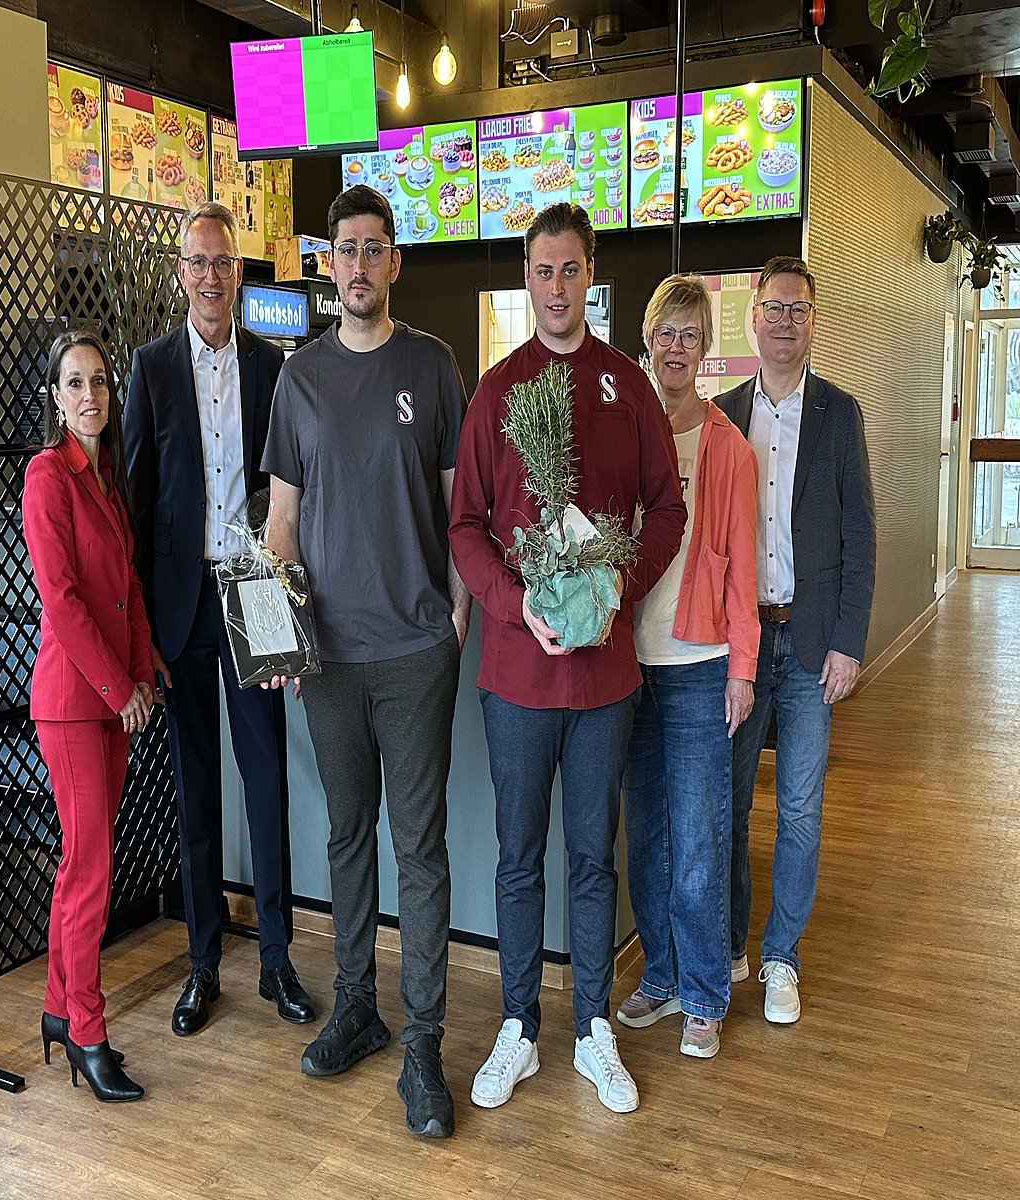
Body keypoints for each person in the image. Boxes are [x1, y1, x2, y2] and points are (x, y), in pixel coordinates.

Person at [448, 203, 687, 1115]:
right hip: (516, 677)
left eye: (571, 269)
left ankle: (592, 1029)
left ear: (592, 274)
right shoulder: (496, 391)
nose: (556, 286)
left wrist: (621, 582)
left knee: (592, 859)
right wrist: (514, 605)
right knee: (518, 858)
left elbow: (668, 509)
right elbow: (466, 526)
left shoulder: (627, 385)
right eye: (543, 270)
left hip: (603, 681)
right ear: (527, 278)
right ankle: (519, 1027)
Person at [261, 184, 469, 1139]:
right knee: (348, 835)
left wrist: (458, 613)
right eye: (344, 249)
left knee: (418, 849)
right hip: (330, 661)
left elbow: (458, 507)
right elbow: (282, 524)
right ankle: (358, 1007)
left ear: (394, 262)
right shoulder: (298, 379)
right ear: (329, 262)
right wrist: (280, 637)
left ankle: (423, 1041)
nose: (357, 264)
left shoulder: (431, 366)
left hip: (418, 652)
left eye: (372, 248)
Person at [124, 202, 314, 1037]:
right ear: (181, 274)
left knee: (266, 780)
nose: (210, 276)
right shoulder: (150, 367)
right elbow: (136, 500)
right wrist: (140, 630)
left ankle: (276, 958)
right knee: (194, 787)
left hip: (256, 589)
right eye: (197, 262)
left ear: (239, 274)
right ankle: (203, 962)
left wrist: (294, 598)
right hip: (178, 602)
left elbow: (294, 489)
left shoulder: (273, 366)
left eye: (222, 263)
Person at [716, 256, 875, 1024]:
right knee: (730, 804)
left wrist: (849, 641)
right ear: (754, 316)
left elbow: (860, 534)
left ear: (814, 321)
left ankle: (782, 956)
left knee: (801, 810)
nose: (785, 321)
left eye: (798, 309)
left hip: (811, 644)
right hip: (741, 647)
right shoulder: (722, 414)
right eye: (774, 307)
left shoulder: (840, 414)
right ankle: (730, 945)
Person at [613, 274, 759, 1061]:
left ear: (706, 349)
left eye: (690, 335)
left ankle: (704, 994)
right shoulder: (623, 428)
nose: (677, 347)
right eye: (666, 332)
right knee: (647, 835)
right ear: (648, 340)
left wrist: (743, 668)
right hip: (628, 663)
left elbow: (741, 565)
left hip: (702, 664)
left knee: (700, 837)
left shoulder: (728, 448)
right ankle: (662, 976)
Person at [23, 329, 152, 1103]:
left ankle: (56, 1006)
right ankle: (88, 1031)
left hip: (112, 701)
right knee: (91, 871)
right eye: (74, 382)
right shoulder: (48, 476)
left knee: (81, 866)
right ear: (55, 396)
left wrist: (142, 675)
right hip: (74, 705)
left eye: (99, 381)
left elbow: (125, 588)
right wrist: (118, 689)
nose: (89, 394)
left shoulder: (106, 475)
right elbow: (64, 603)